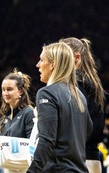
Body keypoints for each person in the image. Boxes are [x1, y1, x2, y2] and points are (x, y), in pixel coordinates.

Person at [27, 42, 93, 172]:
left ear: (53, 65)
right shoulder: (79, 95)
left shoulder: (46, 93)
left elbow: (46, 140)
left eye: (41, 60)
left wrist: (32, 171)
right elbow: (88, 129)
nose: (38, 65)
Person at [59, 37, 106, 173]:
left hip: (77, 160)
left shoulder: (76, 84)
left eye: (63, 55)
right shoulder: (93, 81)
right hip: (91, 158)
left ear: (76, 58)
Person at [0, 68, 35, 173]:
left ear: (20, 91)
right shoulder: (4, 117)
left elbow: (33, 144)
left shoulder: (29, 113)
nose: (5, 93)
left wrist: (4, 143)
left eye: (9, 89)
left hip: (23, 169)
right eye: (3, 89)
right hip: (6, 168)